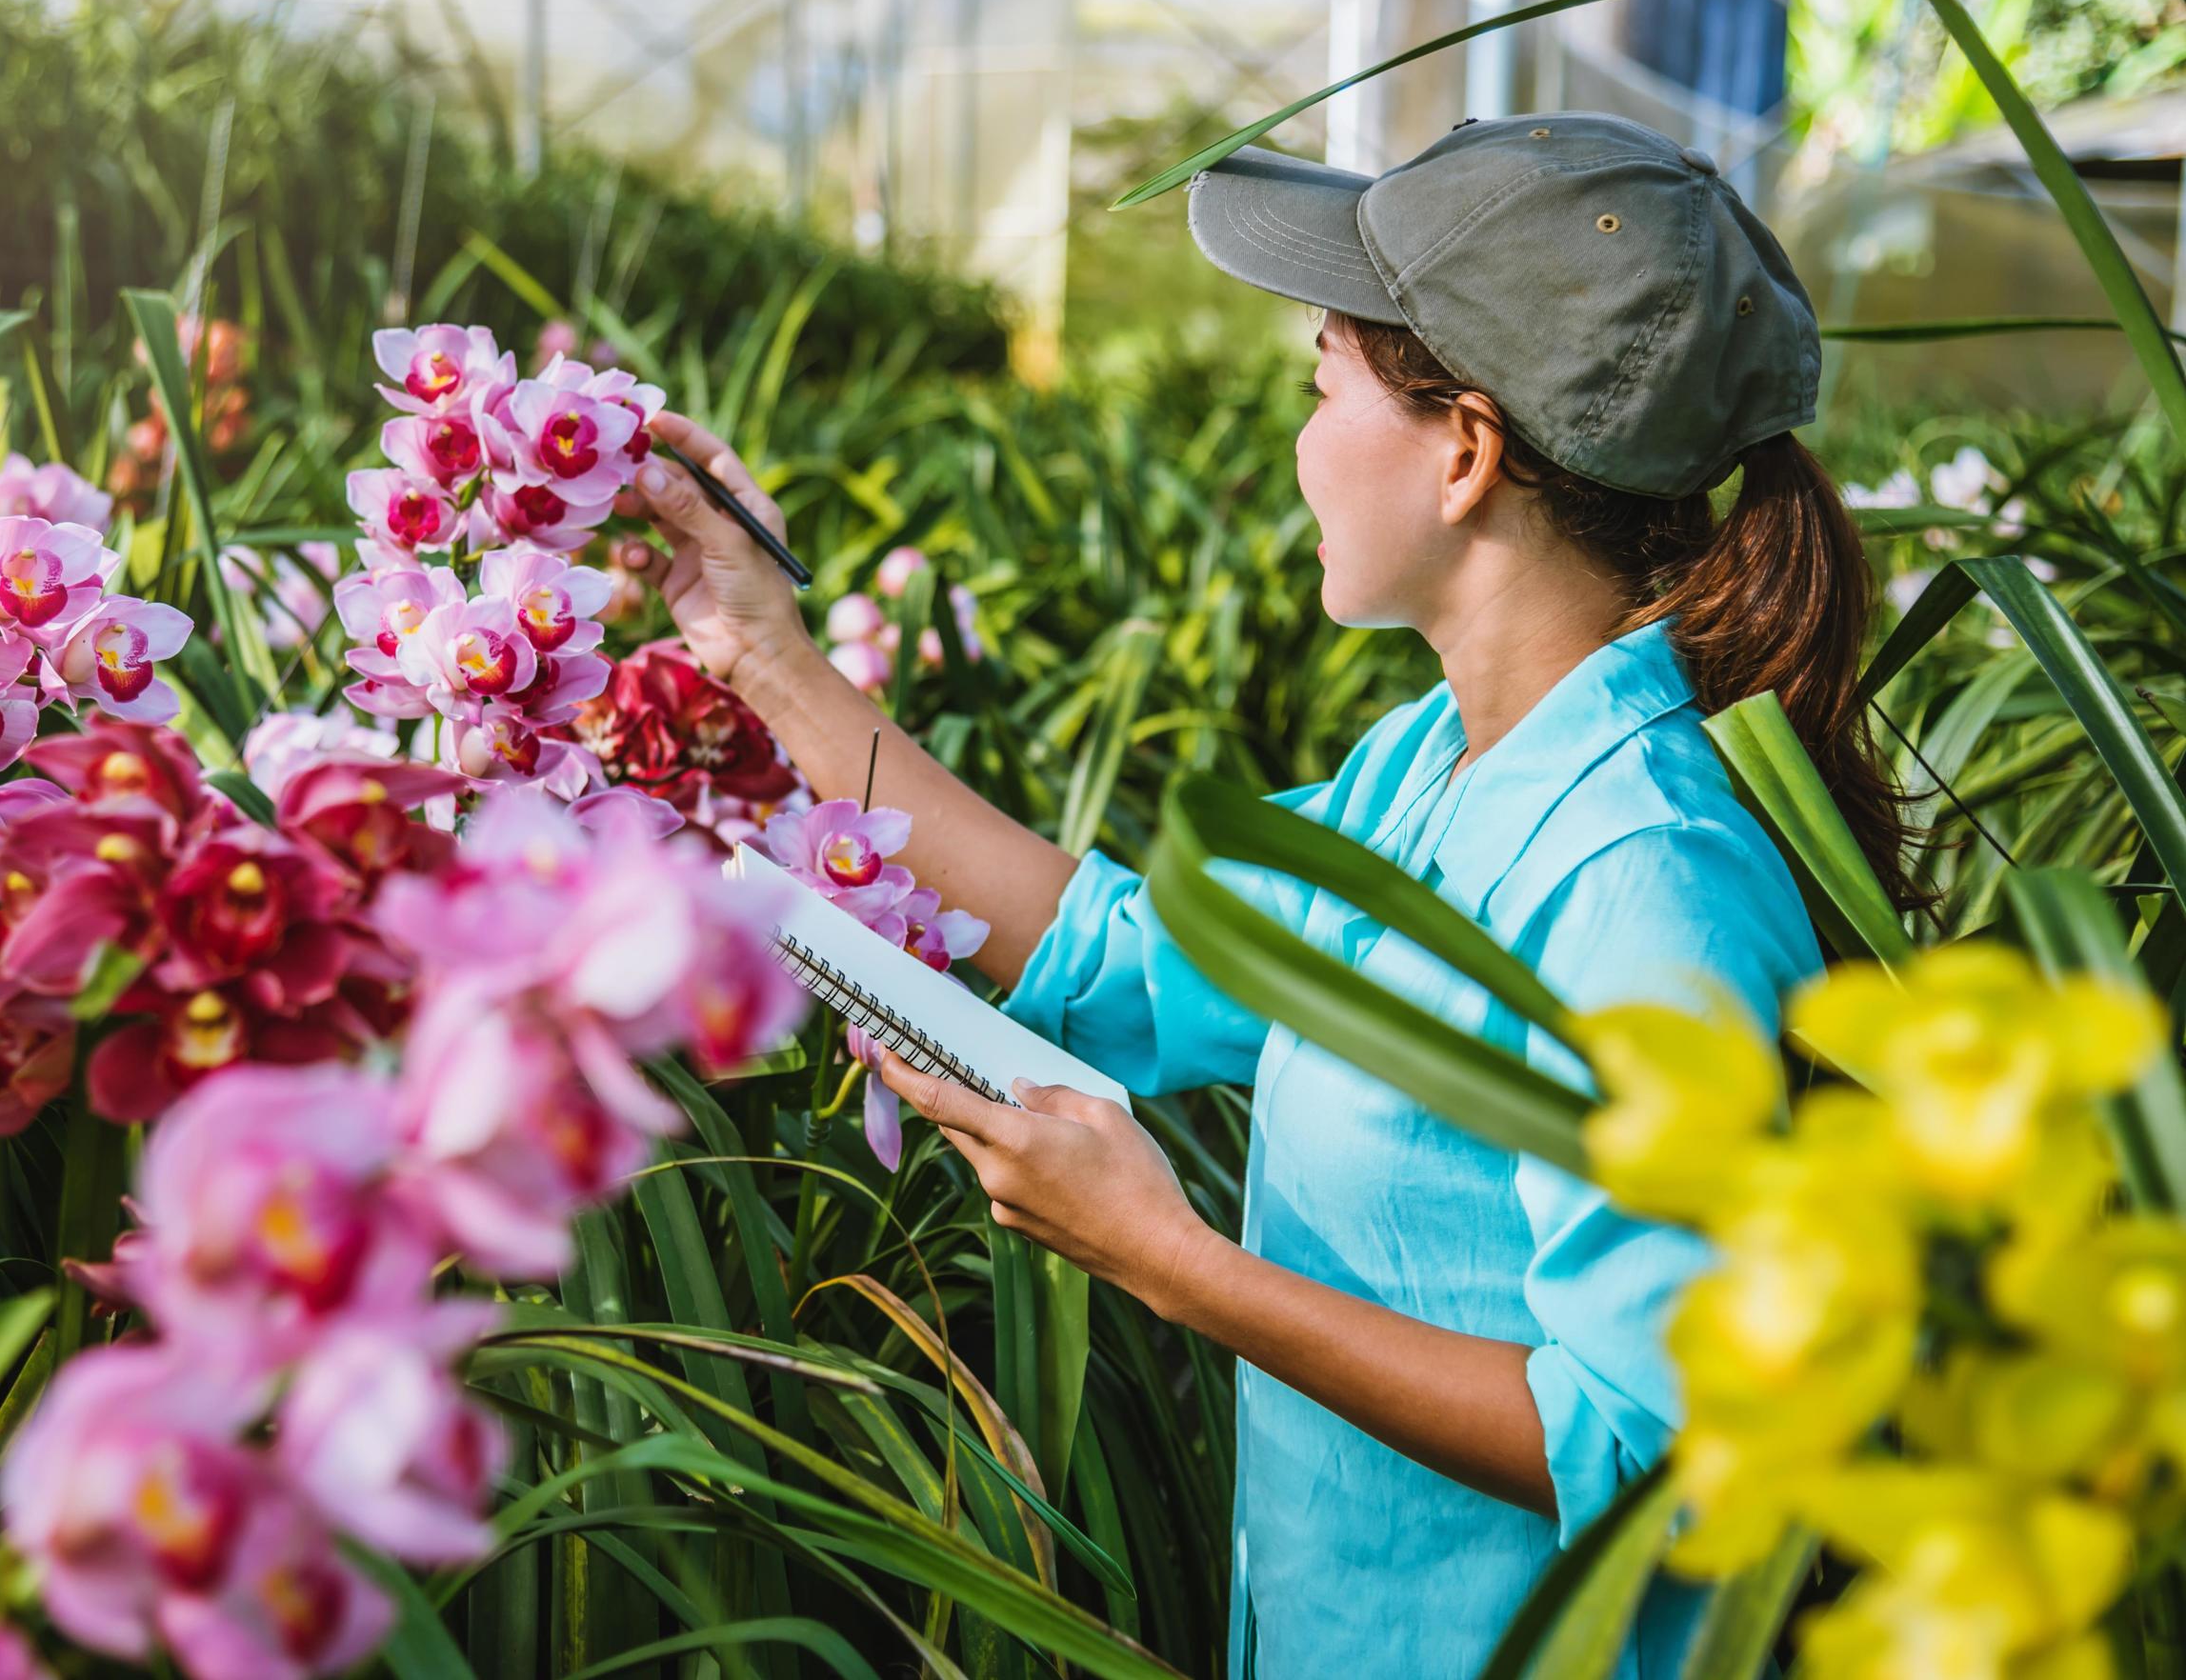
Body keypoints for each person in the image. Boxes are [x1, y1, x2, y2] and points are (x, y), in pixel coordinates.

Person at [613, 113, 1911, 1680]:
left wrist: (1172, 1265)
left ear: (1466, 451)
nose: (1289, 441)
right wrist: (758, 648)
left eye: (1318, 387)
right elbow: (1121, 961)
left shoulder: (1645, 878)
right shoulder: (1432, 762)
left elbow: (1657, 1444)